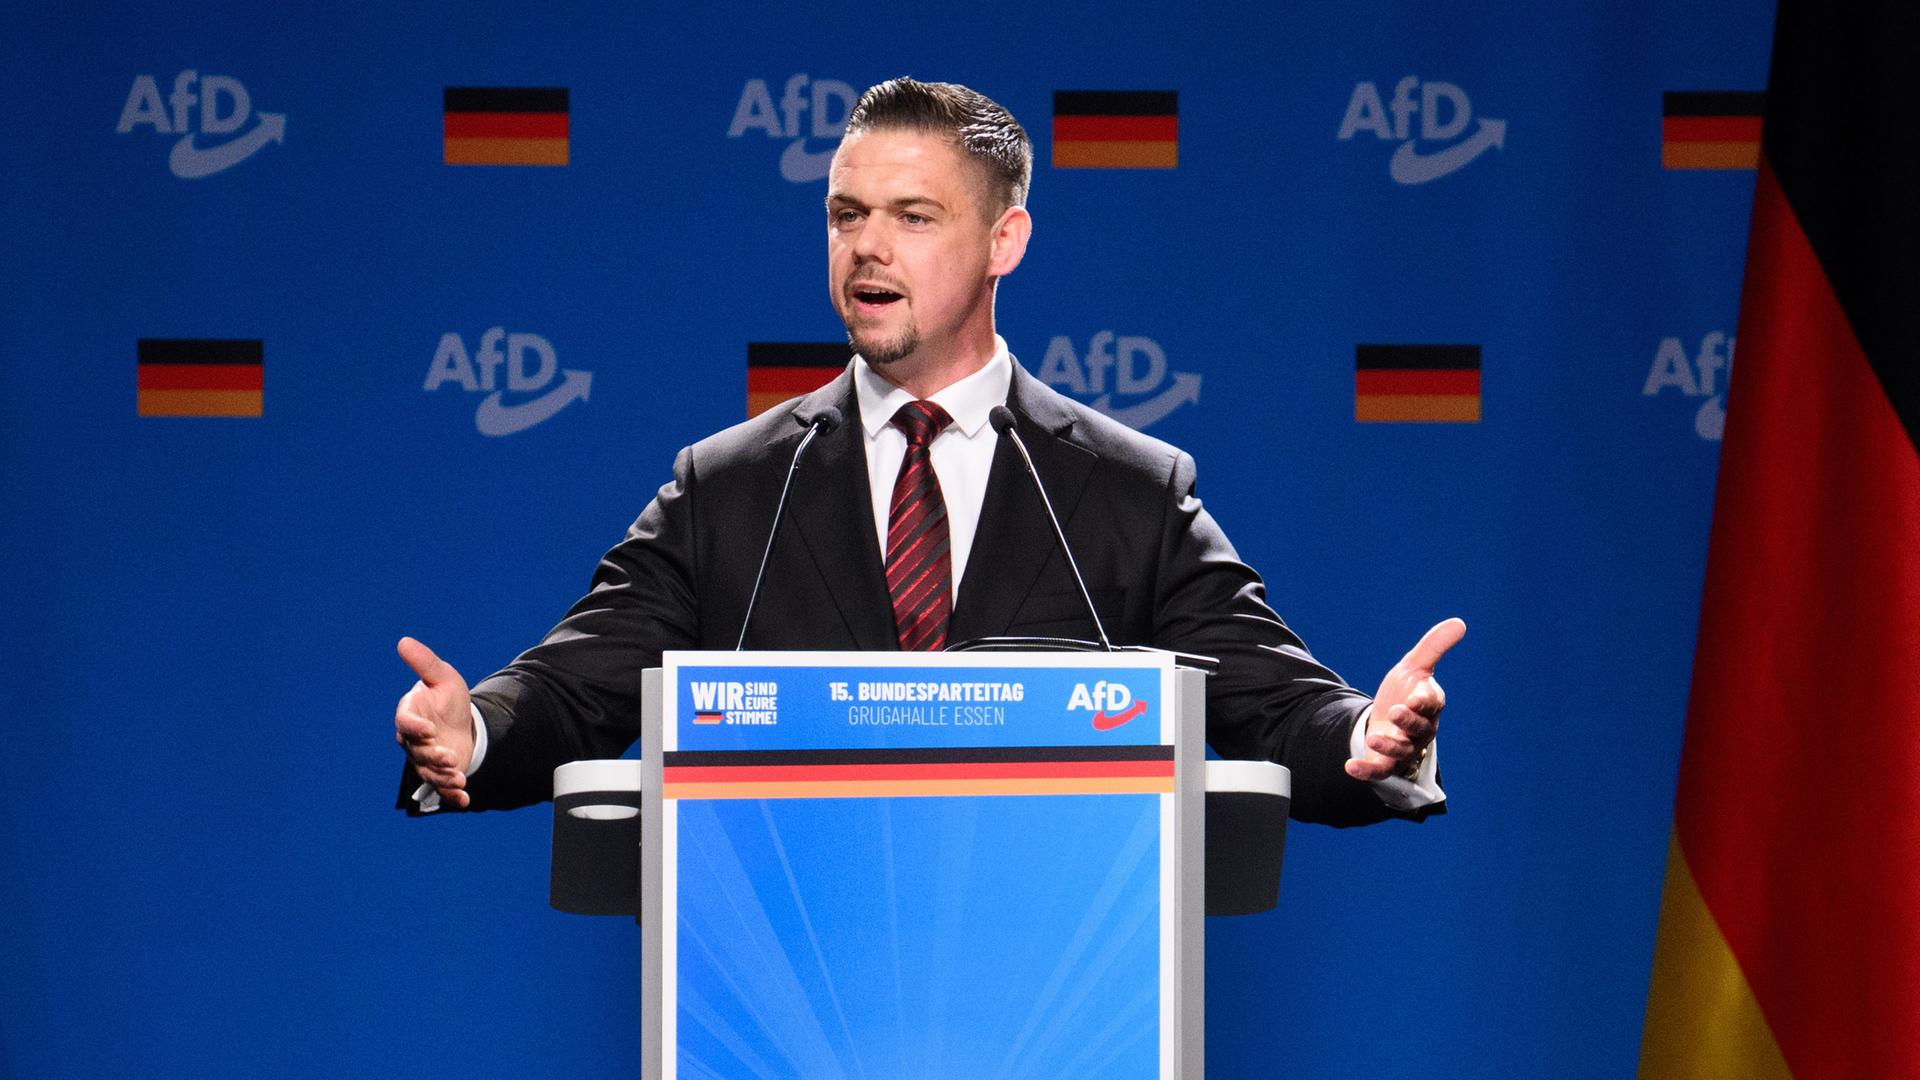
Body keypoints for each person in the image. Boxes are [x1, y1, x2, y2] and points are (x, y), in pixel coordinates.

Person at [394, 77, 1462, 824]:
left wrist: (1373, 732)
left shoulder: (1125, 490)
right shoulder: (729, 489)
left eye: (912, 216)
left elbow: (1277, 706)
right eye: (845, 214)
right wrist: (475, 729)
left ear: (1006, 240)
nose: (866, 246)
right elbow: (577, 687)